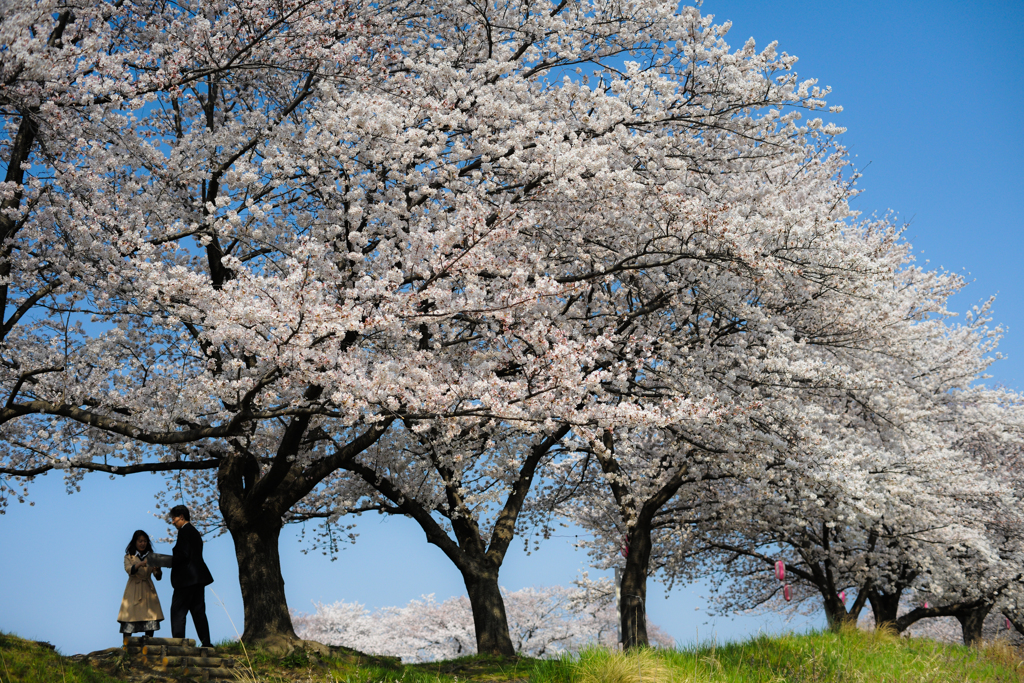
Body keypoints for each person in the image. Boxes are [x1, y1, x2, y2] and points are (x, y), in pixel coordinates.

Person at [168, 505, 214, 647]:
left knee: (177, 612)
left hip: (186, 579)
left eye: (174, 519)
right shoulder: (194, 532)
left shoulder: (183, 532)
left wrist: (168, 561)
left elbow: (183, 555)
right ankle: (206, 643)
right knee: (198, 612)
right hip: (199, 578)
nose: (173, 522)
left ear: (181, 517)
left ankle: (179, 644)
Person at [117, 530, 164, 646]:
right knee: (129, 620)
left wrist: (157, 569)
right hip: (133, 590)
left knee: (150, 619)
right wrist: (140, 564)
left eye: (145, 541)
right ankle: (126, 649)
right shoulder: (128, 556)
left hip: (148, 590)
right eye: (140, 541)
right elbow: (129, 570)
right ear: (135, 542)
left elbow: (158, 577)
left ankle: (148, 648)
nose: (143, 543)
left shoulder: (152, 556)